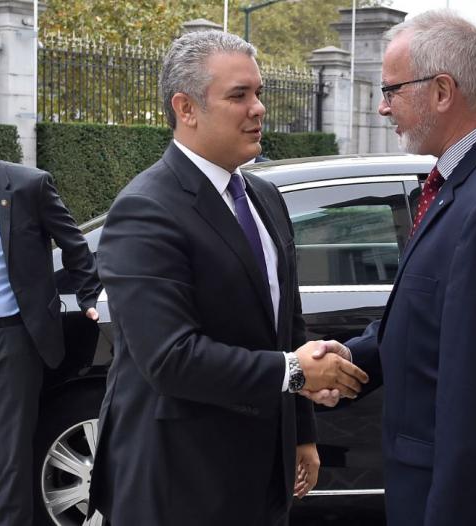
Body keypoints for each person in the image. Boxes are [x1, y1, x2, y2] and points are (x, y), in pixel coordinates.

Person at [304, 10, 476, 526]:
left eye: (391, 90)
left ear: (441, 91)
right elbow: (434, 318)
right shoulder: (474, 180)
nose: (383, 108)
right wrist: (352, 357)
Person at [87, 30, 368, 526]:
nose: (258, 108)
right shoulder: (146, 209)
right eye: (239, 95)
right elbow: (170, 359)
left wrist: (302, 433)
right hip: (181, 480)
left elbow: (287, 326)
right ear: (186, 108)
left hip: (264, 474)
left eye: (258, 93)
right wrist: (296, 372)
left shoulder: (264, 196)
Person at [0, 99, 101, 526]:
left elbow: (75, 245)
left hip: (14, 338)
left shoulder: (27, 186)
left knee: (13, 451)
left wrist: (89, 298)